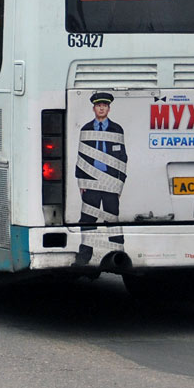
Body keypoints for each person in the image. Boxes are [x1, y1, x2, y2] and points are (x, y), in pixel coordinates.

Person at [74, 91, 127, 265]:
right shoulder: (86, 130)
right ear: (94, 108)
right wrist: (81, 182)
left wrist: (119, 184)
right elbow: (81, 157)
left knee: (112, 218)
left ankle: (117, 252)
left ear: (109, 108)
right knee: (88, 219)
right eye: (98, 105)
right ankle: (85, 255)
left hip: (110, 182)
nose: (101, 108)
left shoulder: (117, 130)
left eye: (104, 105)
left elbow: (122, 158)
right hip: (91, 182)